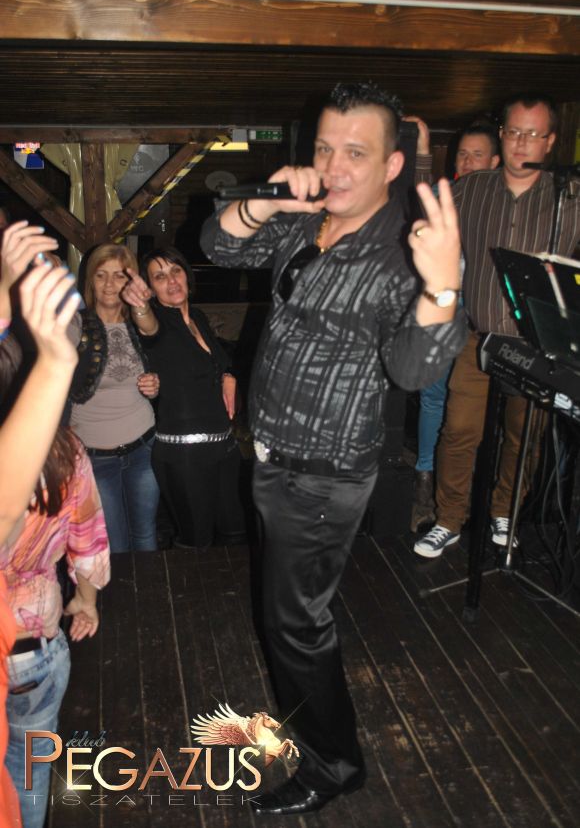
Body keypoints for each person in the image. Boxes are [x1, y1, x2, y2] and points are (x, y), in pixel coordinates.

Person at [200, 81, 467, 815]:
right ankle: (320, 733)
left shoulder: (402, 253)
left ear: (392, 165)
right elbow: (216, 244)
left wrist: (444, 286)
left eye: (356, 152)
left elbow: (413, 370)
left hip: (322, 475)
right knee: (289, 616)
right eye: (324, 149)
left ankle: (333, 764)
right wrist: (267, 202)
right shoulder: (307, 220)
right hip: (275, 456)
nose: (334, 167)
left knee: (295, 623)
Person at [415, 92, 580, 559]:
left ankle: (505, 510)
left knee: (523, 436)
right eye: (514, 132)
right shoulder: (473, 189)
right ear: (502, 135)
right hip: (479, 338)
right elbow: (428, 214)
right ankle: (448, 519)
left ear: (550, 141)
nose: (522, 142)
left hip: (537, 346)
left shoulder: (569, 197)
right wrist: (423, 154)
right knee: (458, 431)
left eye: (533, 134)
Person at [0, 223, 83, 828]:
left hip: (23, 639)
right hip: (34, 644)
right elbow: (90, 536)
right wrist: (56, 362)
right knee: (29, 771)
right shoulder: (62, 451)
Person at [405, 118, 500, 531]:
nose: (467, 161)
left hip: (482, 316)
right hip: (445, 306)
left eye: (477, 155)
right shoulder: (454, 196)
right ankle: (425, 482)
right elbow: (422, 198)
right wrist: (424, 148)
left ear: (495, 162)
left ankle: (466, 486)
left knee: (472, 407)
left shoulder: (505, 205)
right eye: (462, 154)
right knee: (433, 397)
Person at [122, 247, 245, 549]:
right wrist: (140, 307)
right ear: (150, 289)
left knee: (235, 535)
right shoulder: (160, 323)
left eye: (175, 270)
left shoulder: (198, 318)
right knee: (196, 544)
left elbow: (217, 362)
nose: (171, 281)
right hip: (184, 457)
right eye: (159, 277)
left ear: (187, 275)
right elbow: (148, 327)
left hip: (224, 449)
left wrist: (228, 374)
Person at [68, 244, 160, 553]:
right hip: (95, 456)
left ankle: (150, 587)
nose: (109, 284)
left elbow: (153, 331)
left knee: (145, 536)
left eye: (119, 275)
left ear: (131, 281)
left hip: (143, 447)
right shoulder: (75, 324)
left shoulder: (139, 322)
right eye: (101, 275)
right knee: (115, 546)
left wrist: (154, 384)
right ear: (90, 281)